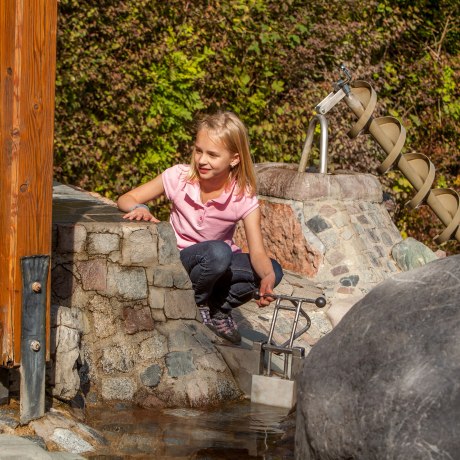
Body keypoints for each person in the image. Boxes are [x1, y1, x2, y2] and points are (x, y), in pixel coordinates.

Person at [117, 111, 283, 344]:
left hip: (217, 264)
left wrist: (267, 277)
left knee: (274, 269)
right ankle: (196, 304)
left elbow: (257, 252)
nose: (202, 160)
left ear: (234, 159)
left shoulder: (243, 197)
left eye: (213, 155)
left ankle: (218, 309)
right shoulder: (179, 177)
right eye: (198, 150)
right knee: (217, 252)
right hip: (181, 260)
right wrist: (141, 207)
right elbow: (125, 198)